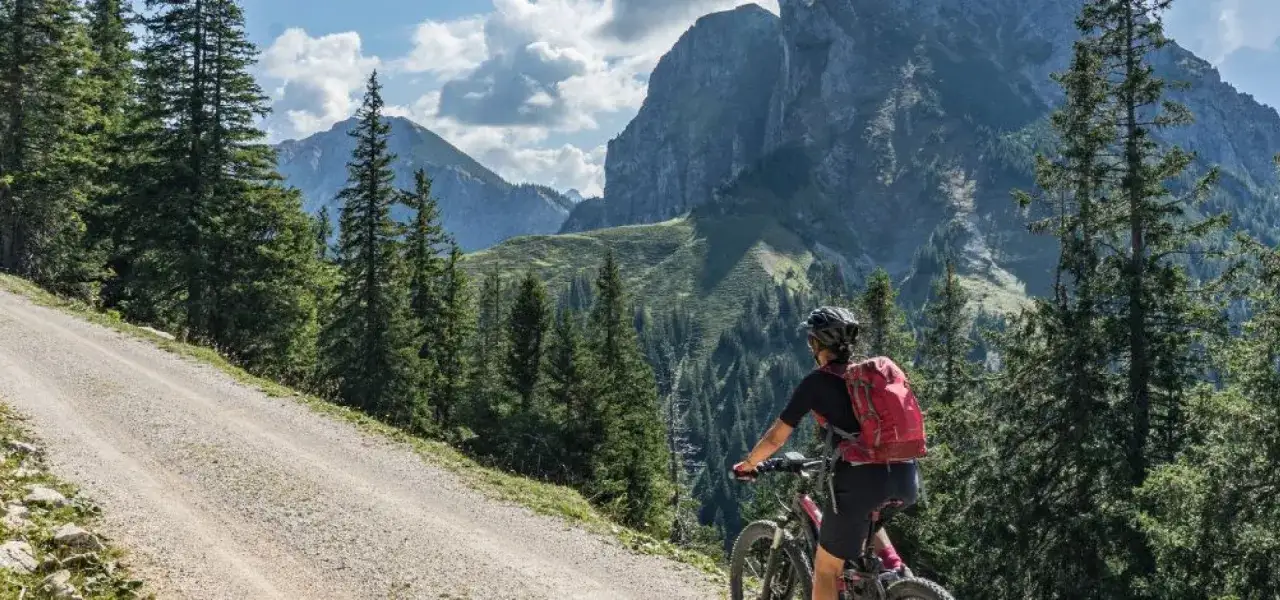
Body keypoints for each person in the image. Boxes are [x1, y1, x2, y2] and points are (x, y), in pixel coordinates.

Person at [734, 306, 920, 600]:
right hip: (905, 475)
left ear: (818, 344)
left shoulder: (817, 382)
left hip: (859, 484)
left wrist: (749, 464)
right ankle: (900, 574)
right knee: (870, 519)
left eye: (812, 340)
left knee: (825, 569)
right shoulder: (869, 381)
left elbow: (776, 437)